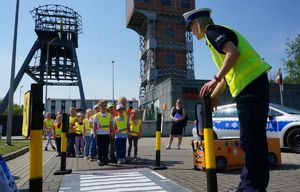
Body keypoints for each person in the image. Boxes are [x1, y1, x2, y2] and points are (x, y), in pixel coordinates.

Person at [183, 8, 271, 192]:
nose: (191, 32)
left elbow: (233, 53)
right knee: (252, 140)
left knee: (252, 141)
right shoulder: (216, 34)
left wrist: (214, 80)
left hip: (250, 87)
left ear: (196, 24)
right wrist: (215, 94)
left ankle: (252, 188)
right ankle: (248, 186)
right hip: (253, 85)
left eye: (190, 27)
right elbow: (228, 73)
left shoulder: (212, 32)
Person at [94, 100, 113, 166]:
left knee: (106, 147)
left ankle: (105, 159)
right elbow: (95, 125)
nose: (103, 107)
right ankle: (100, 159)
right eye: (102, 106)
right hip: (99, 134)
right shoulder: (97, 115)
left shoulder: (109, 115)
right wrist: (95, 134)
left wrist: (111, 132)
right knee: (99, 148)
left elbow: (111, 125)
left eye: (104, 105)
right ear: (99, 107)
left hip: (107, 134)